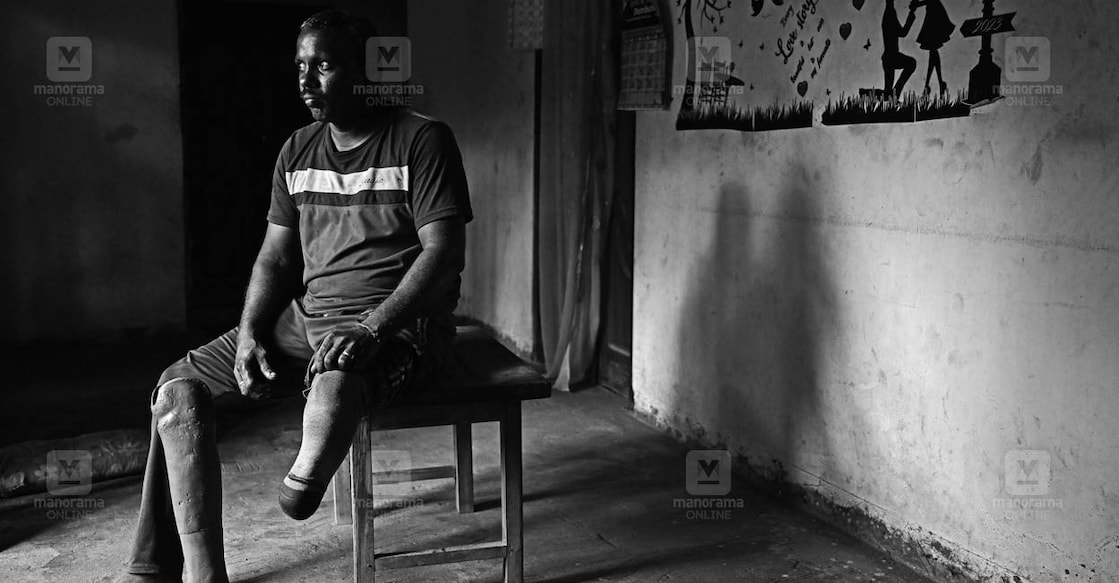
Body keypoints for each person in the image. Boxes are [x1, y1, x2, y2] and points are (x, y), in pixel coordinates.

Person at [115, 9, 472, 583]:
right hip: (308, 321)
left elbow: (443, 252)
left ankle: (307, 472)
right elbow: (276, 258)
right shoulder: (297, 151)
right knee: (177, 388)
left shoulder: (422, 139)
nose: (306, 81)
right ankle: (180, 569)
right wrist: (250, 332)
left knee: (338, 378)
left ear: (367, 71)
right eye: (301, 66)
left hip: (395, 325)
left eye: (324, 66)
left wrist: (372, 327)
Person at [911, 0, 955, 95]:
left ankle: (931, 84)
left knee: (933, 51)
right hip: (933, 15)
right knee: (933, 52)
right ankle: (936, 83)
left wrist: (917, 4)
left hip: (934, 17)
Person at [880, 0, 919, 97]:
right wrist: (911, 13)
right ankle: (895, 94)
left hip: (889, 57)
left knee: (887, 93)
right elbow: (903, 32)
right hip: (892, 56)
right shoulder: (890, 14)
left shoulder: (888, 13)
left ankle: (864, 92)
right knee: (911, 63)